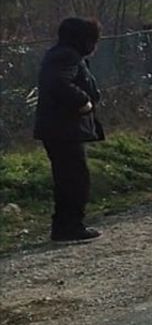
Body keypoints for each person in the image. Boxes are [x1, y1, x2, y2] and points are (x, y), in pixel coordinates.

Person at [34, 17, 105, 242]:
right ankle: (70, 226)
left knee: (68, 178)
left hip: (59, 128)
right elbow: (57, 83)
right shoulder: (67, 56)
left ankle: (65, 225)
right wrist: (83, 101)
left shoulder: (61, 54)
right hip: (64, 128)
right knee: (75, 179)